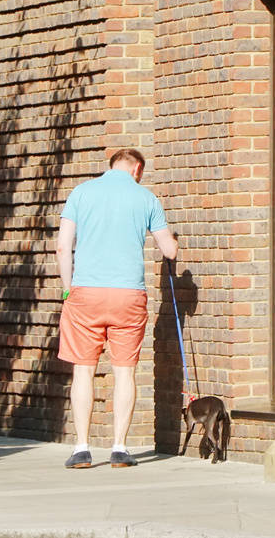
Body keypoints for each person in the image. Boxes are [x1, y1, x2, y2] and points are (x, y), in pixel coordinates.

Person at [55, 148, 178, 468]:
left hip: (86, 293)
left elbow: (63, 245)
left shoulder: (80, 193)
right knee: (125, 371)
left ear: (112, 166)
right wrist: (172, 241)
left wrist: (68, 288)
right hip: (128, 295)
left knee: (83, 369)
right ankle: (120, 448)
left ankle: (81, 447)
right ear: (137, 169)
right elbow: (169, 250)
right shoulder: (147, 199)